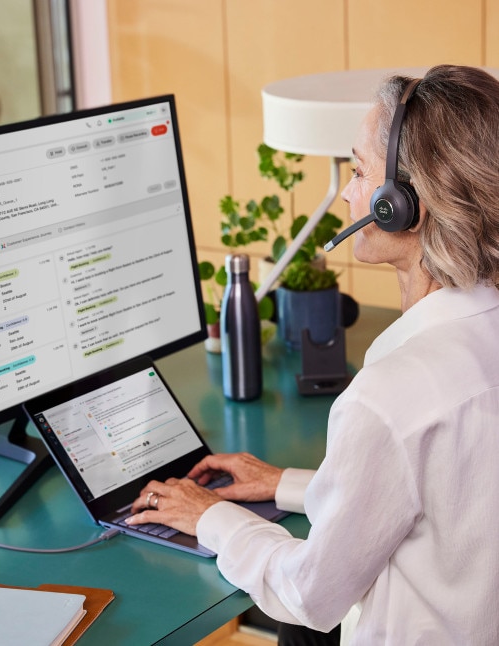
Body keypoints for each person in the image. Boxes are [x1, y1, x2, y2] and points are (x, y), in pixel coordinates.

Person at [126, 64, 499, 645]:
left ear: (400, 205)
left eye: (356, 171)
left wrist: (210, 517)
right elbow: (440, 491)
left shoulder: (390, 399)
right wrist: (287, 484)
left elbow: (308, 595)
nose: (348, 193)